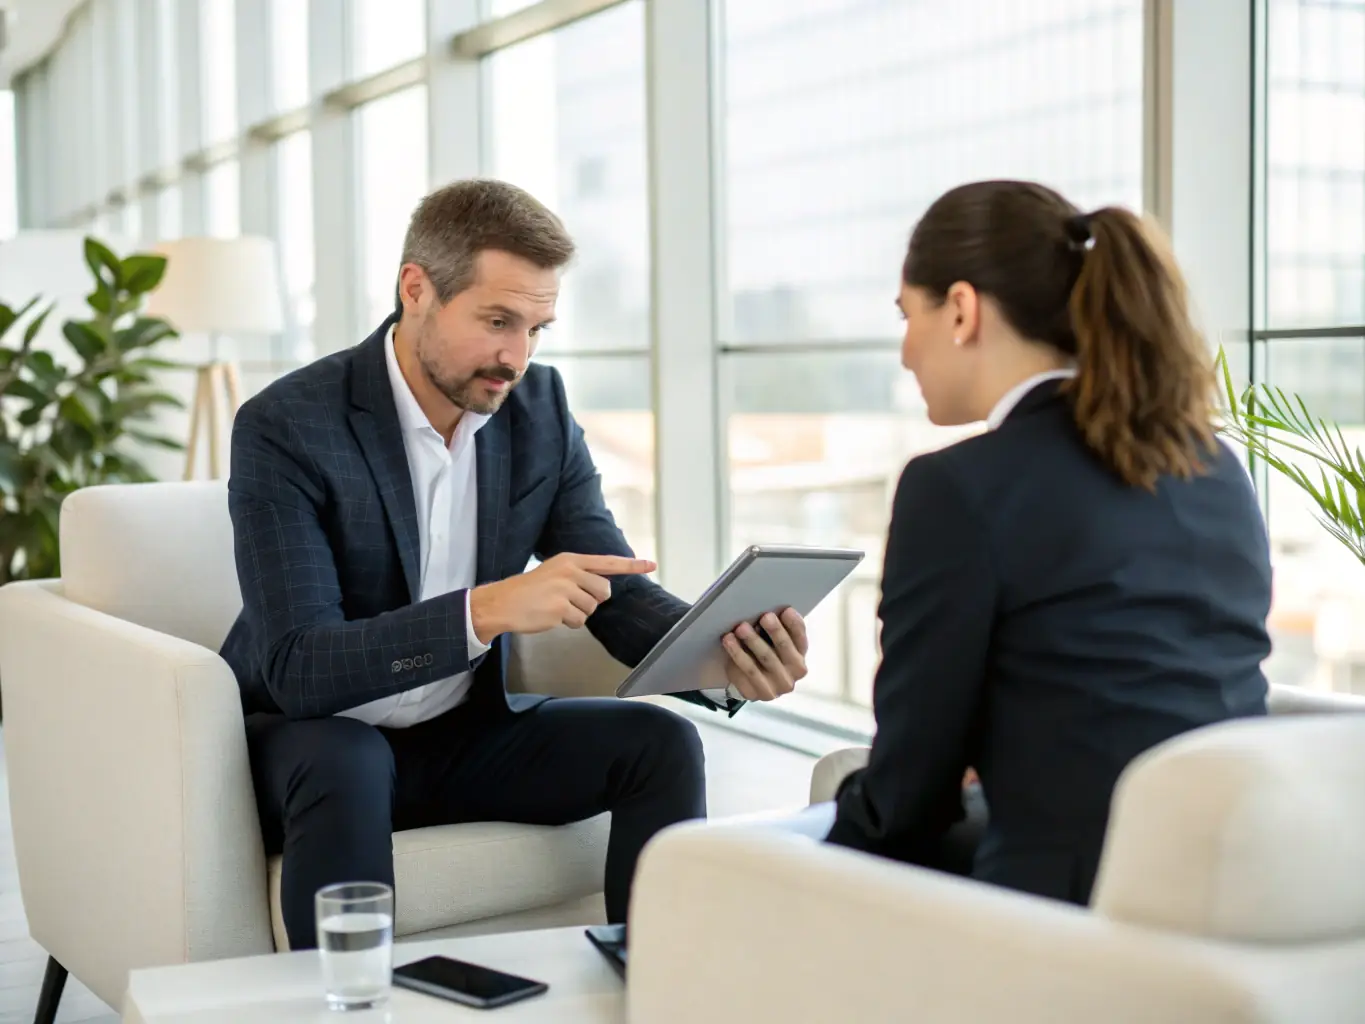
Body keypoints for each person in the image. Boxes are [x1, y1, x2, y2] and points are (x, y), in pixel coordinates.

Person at [220, 178, 811, 949]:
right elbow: (297, 664)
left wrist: (724, 655)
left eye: (537, 328)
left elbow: (611, 587)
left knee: (657, 743)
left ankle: (654, 977)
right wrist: (488, 609)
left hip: (459, 734)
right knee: (348, 762)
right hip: (315, 734)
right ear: (416, 290)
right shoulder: (287, 425)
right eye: (497, 321)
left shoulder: (536, 409)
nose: (516, 358)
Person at [822, 179, 1272, 905]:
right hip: (1235, 877)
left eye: (907, 316)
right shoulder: (1214, 464)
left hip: (1066, 900)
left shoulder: (958, 487)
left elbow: (908, 797)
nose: (905, 352)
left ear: (962, 310)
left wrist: (819, 839)